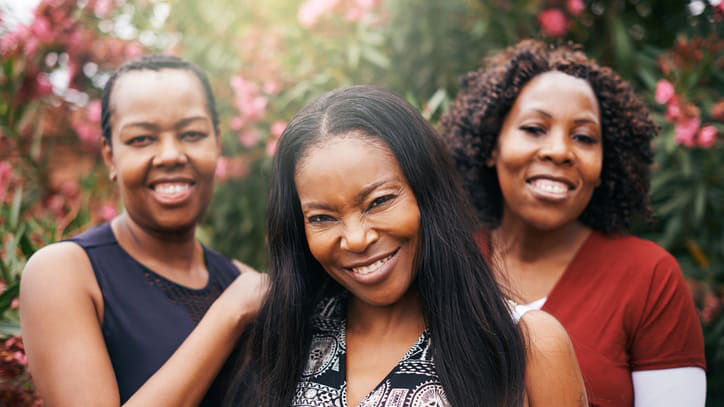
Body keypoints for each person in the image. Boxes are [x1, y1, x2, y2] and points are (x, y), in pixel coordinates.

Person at [225, 85, 587, 406]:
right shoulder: (290, 339)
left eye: (379, 201)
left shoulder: (527, 344)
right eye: (322, 218)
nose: (356, 238)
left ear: (427, 194)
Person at [440, 40, 706, 407]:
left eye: (583, 137)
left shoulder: (649, 278)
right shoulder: (447, 261)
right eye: (534, 128)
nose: (560, 151)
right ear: (491, 145)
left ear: (603, 166)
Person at [20, 55, 268, 406]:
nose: (170, 155)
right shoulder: (65, 273)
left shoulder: (241, 280)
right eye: (141, 139)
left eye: (192, 134)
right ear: (110, 157)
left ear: (217, 143)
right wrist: (229, 315)